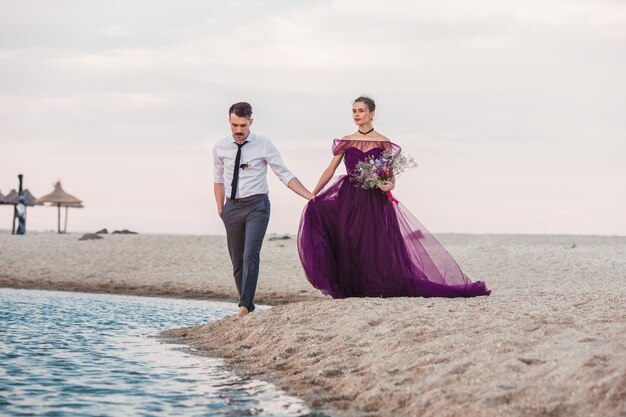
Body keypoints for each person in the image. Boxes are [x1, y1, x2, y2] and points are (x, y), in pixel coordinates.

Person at [298, 96, 490, 298]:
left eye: (361, 111)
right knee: (350, 240)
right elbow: (330, 169)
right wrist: (314, 192)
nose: (357, 115)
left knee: (373, 242)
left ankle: (373, 284)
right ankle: (352, 285)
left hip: (373, 200)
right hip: (350, 197)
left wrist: (389, 185)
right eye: (354, 111)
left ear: (372, 113)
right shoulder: (346, 141)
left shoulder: (383, 143)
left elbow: (389, 177)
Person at [214, 102, 313, 318]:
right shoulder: (220, 146)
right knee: (237, 260)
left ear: (251, 121)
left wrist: (309, 195)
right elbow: (218, 178)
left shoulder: (264, 144)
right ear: (229, 122)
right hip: (231, 207)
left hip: (257, 206)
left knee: (250, 254)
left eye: (242, 125)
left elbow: (283, 173)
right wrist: (221, 209)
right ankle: (247, 305)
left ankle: (243, 306)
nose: (238, 130)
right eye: (234, 125)